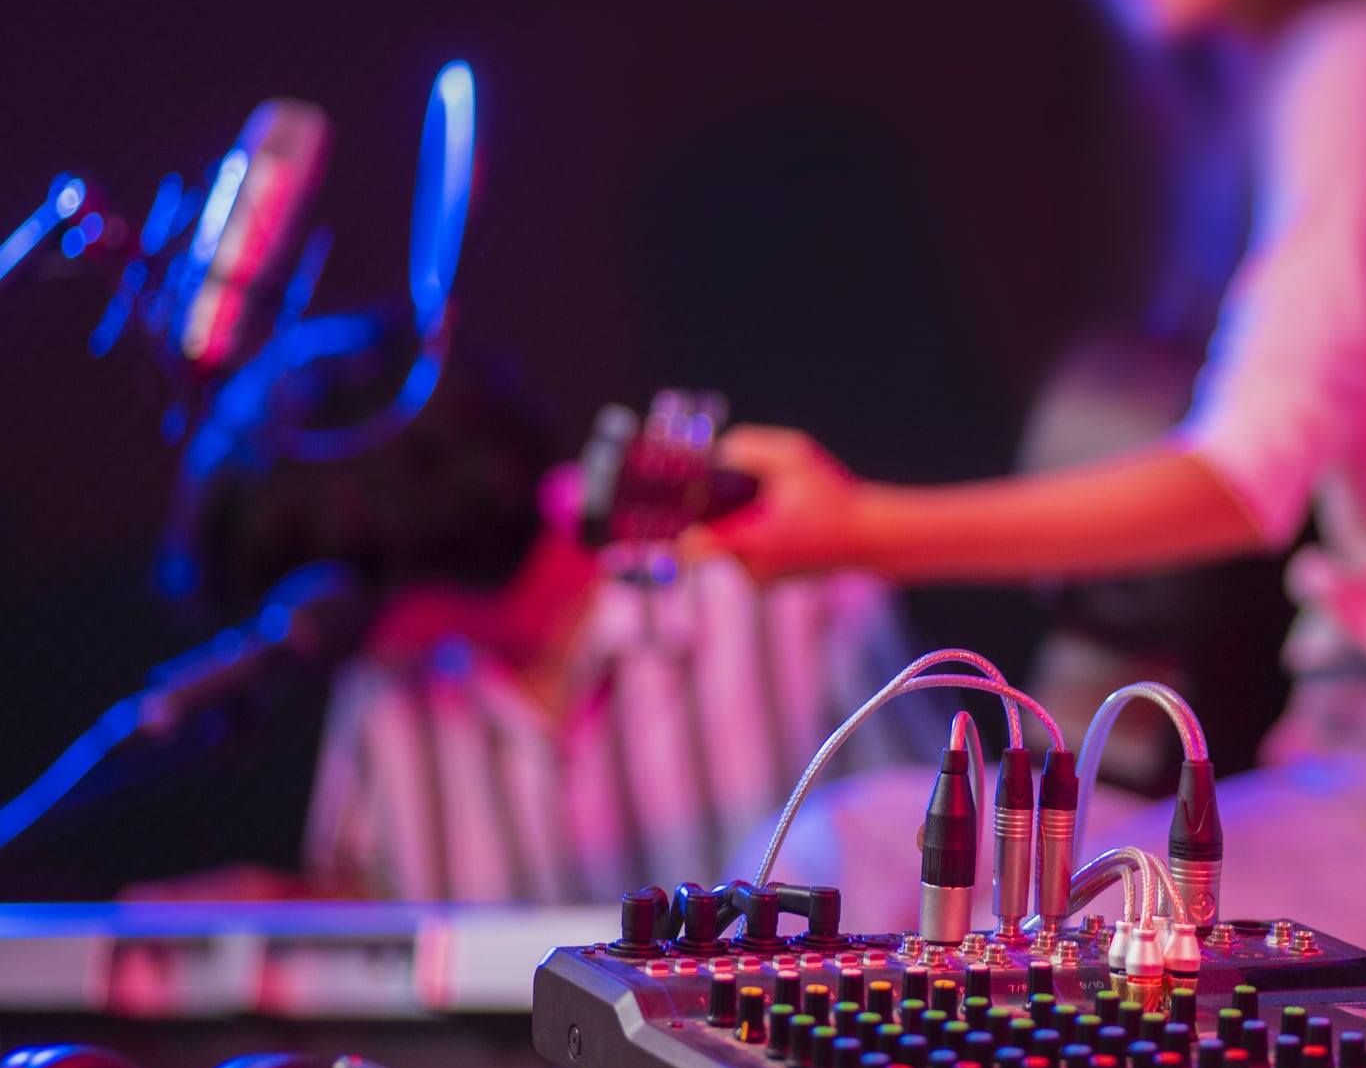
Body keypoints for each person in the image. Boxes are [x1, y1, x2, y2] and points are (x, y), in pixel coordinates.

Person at [702, 0, 1366, 1014]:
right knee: (864, 848)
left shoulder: (1363, 57)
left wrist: (857, 529)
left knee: (856, 859)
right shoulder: (1313, 84)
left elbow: (1243, 477)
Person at [177, 317, 938, 903]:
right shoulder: (384, 701)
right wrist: (274, 921)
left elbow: (934, 882)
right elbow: (376, 934)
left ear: (390, 579)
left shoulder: (781, 599)